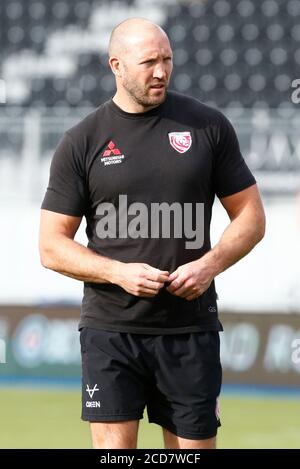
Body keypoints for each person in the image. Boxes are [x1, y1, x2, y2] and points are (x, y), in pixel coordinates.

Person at [39, 18, 265, 449]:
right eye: (149, 62)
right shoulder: (81, 141)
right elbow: (51, 246)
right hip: (111, 332)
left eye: (167, 60)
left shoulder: (207, 126)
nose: (161, 71)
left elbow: (251, 217)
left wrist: (209, 265)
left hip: (190, 330)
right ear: (116, 65)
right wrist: (118, 273)